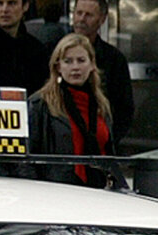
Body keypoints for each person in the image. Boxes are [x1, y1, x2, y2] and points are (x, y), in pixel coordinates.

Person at [37, 31, 121, 182]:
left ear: (92, 65)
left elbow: (109, 153)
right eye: (68, 61)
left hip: (100, 191)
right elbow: (27, 160)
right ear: (58, 67)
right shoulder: (41, 104)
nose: (75, 67)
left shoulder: (101, 104)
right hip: (58, 192)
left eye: (81, 60)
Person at [64, 0, 134, 139]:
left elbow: (124, 109)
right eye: (78, 13)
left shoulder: (114, 59)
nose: (81, 19)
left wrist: (108, 141)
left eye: (88, 15)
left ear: (102, 19)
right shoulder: (53, 51)